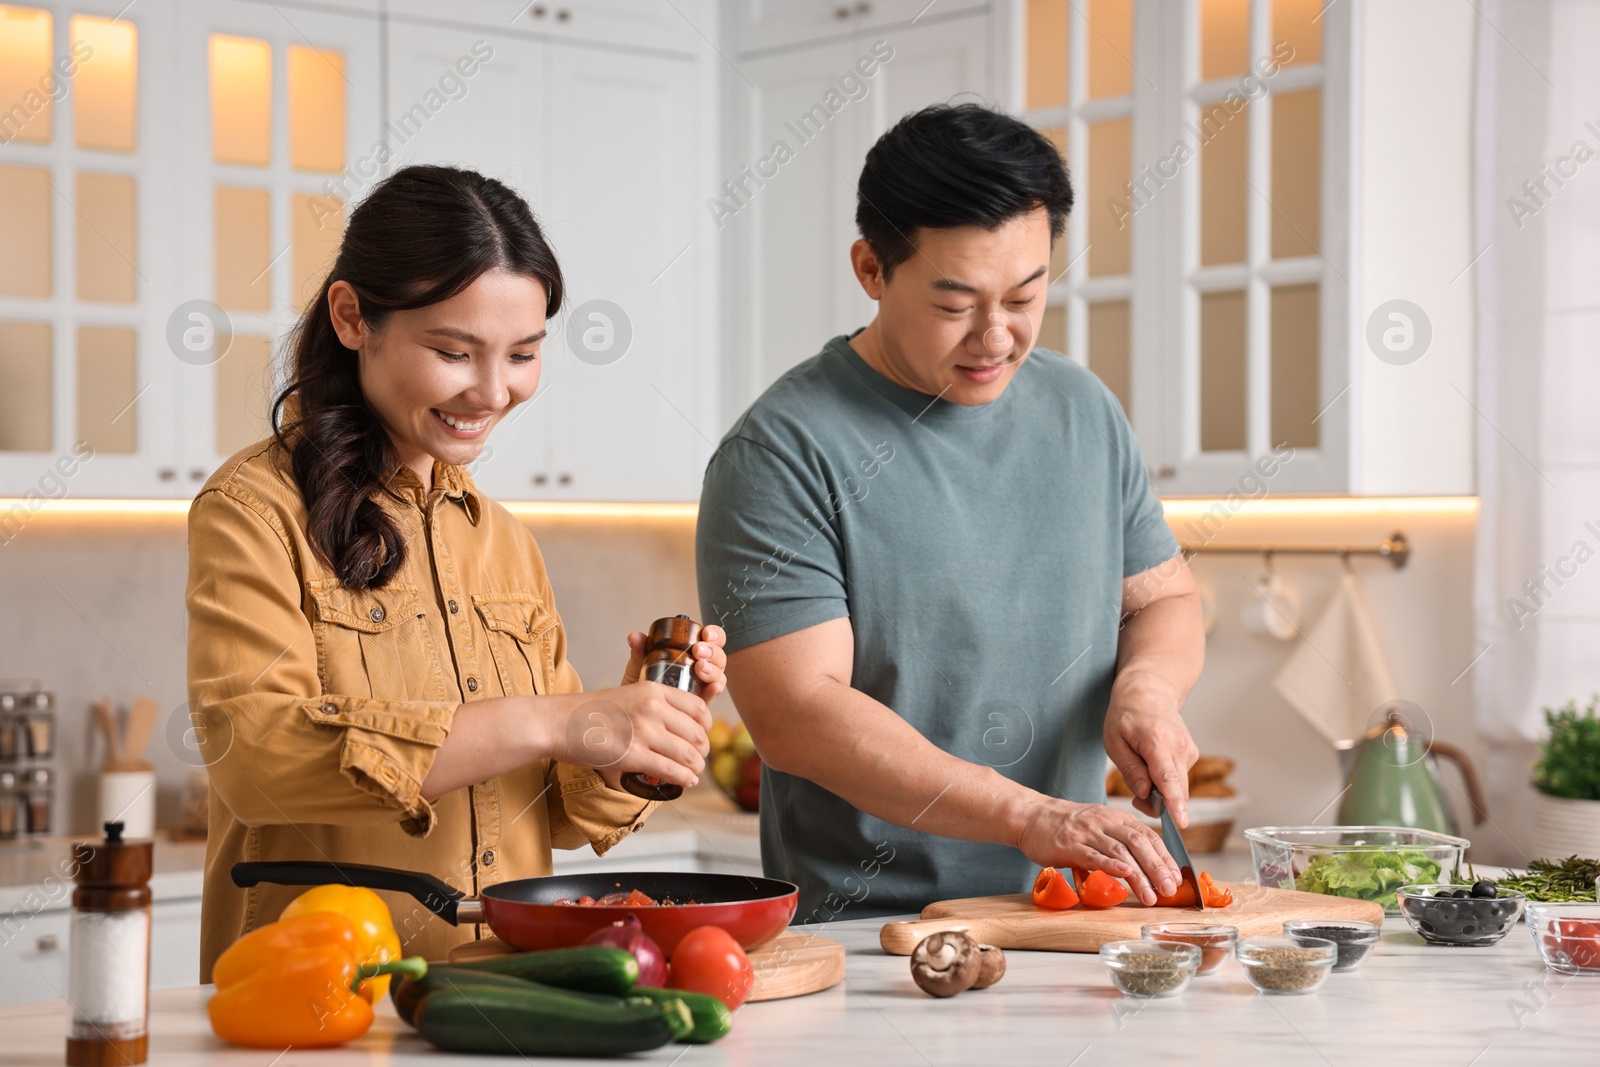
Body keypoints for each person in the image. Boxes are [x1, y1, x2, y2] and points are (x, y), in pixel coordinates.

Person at [187, 165, 723, 977]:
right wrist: (550, 716)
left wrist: (622, 740)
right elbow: (258, 760)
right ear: (351, 317)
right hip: (311, 1002)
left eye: (523, 354)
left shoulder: (504, 541)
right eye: (452, 350)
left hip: (496, 993)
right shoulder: (253, 508)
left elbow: (563, 816)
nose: (493, 390)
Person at [696, 104, 1206, 924]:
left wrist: (1145, 689)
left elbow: (1163, 599)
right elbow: (797, 714)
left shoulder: (1083, 409)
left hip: (1074, 919)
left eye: (1026, 296)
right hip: (876, 936)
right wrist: (1033, 816)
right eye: (955, 304)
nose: (997, 336)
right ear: (871, 268)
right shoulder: (781, 450)